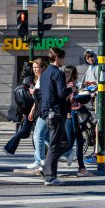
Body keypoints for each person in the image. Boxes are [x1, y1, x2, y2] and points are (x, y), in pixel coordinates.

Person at [40, 47, 75, 186]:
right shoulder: (58, 74)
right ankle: (49, 176)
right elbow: (61, 93)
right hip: (56, 112)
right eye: (62, 58)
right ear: (57, 58)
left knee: (63, 143)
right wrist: (71, 89)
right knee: (56, 145)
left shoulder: (44, 73)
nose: (63, 61)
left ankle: (47, 166)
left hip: (47, 111)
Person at [3, 58, 47, 157]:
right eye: (33, 68)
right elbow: (34, 98)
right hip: (33, 109)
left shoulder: (28, 78)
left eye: (36, 67)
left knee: (34, 133)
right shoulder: (30, 79)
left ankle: (38, 155)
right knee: (37, 134)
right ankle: (40, 155)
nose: (35, 69)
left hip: (31, 109)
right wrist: (31, 111)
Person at [63, 65, 92, 176]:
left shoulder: (68, 84)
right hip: (72, 116)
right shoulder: (70, 85)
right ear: (73, 74)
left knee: (78, 141)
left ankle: (82, 168)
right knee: (70, 143)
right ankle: (50, 163)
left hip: (71, 116)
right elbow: (71, 99)